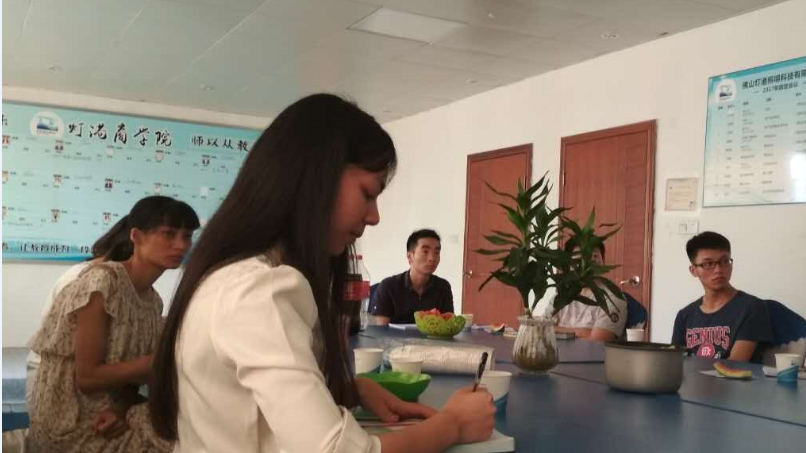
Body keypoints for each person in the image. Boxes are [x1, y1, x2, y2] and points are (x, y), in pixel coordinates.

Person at [149, 94, 495, 453]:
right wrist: (452, 425)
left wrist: (350, 389)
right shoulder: (260, 287)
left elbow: (249, 400)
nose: (374, 216)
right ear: (317, 178)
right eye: (367, 194)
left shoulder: (233, 274)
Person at [27, 196, 200, 453]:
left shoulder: (153, 301)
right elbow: (87, 377)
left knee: (194, 425)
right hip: (71, 419)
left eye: (187, 236)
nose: (181, 245)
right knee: (179, 441)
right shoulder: (102, 283)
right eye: (168, 234)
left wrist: (120, 408)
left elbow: (129, 379)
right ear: (136, 236)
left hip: (110, 409)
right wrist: (159, 361)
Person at [25, 217, 133, 410]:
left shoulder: (120, 280)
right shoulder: (92, 280)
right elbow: (86, 370)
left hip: (78, 378)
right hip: (57, 379)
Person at [672, 231, 773, 362]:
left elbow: (735, 364)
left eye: (724, 261)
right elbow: (675, 362)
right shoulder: (685, 316)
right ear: (693, 271)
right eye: (708, 264)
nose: (718, 270)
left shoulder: (752, 308)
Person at [370, 229, 454, 325]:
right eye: (425, 251)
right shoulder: (388, 286)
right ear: (410, 256)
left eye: (436, 252)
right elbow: (381, 329)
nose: (432, 258)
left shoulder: (443, 287)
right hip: (394, 335)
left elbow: (448, 325)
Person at [553, 240, 627, 342]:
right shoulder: (562, 295)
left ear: (603, 262)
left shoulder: (613, 298)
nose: (589, 263)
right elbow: (541, 329)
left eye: (595, 256)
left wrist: (556, 330)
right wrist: (583, 332)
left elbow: (597, 341)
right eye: (579, 259)